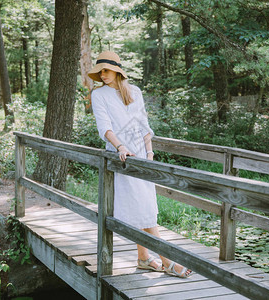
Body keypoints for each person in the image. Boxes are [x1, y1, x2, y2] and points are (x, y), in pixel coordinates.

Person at [88, 51, 193, 278]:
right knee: (142, 208)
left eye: (106, 70)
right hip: (123, 157)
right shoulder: (99, 95)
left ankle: (144, 258)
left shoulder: (134, 91)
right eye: (100, 71)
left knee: (145, 205)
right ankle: (167, 261)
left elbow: (144, 123)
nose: (103, 74)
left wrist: (150, 151)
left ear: (117, 70)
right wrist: (120, 147)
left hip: (143, 156)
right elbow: (104, 127)